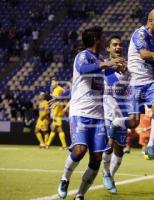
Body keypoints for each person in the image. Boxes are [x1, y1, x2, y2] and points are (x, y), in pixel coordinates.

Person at [57, 26, 125, 200]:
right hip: (80, 113)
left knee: (96, 159)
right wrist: (107, 64)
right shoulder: (83, 56)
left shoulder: (100, 59)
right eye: (103, 38)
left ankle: (80, 195)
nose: (104, 41)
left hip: (98, 116)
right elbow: (84, 70)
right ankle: (65, 178)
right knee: (80, 150)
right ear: (96, 39)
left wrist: (120, 69)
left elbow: (110, 76)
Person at [111, 9, 154, 160]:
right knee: (133, 122)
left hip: (150, 82)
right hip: (135, 84)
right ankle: (115, 123)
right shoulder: (140, 34)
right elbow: (144, 54)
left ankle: (151, 145)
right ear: (150, 20)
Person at [101, 35, 129, 193]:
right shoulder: (103, 66)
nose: (118, 47)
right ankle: (105, 173)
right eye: (114, 45)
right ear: (108, 48)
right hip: (106, 113)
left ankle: (110, 175)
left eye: (120, 45)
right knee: (109, 145)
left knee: (119, 150)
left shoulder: (128, 67)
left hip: (122, 114)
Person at [46, 79, 67, 149]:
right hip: (59, 109)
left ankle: (64, 146)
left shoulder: (56, 90)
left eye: (53, 82)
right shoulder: (61, 89)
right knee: (54, 129)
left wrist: (52, 113)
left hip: (57, 110)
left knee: (59, 129)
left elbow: (55, 100)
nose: (52, 84)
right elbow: (65, 96)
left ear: (57, 82)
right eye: (51, 82)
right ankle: (47, 144)